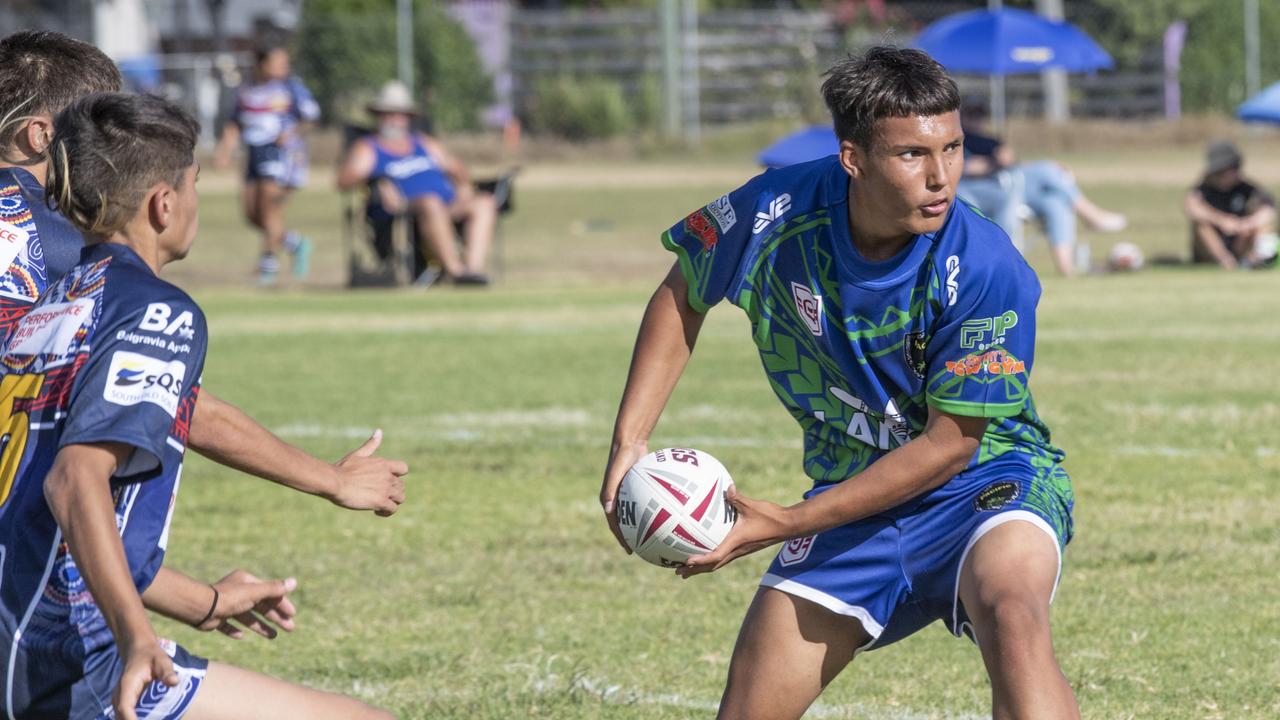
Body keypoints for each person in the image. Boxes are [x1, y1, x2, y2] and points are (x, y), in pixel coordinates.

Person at [599, 47, 1078, 719]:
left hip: (988, 484)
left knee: (1012, 613)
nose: (941, 176)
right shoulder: (774, 210)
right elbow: (685, 289)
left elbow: (951, 446)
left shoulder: (985, 265)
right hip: (854, 497)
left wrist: (787, 522)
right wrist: (629, 441)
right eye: (911, 154)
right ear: (853, 158)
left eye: (953, 147)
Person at [0, 92, 394, 720]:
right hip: (71, 663)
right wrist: (136, 640)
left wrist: (204, 602)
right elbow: (75, 483)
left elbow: (56, 532)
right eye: (195, 186)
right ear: (164, 203)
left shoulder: (49, 310)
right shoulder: (156, 312)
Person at [0, 30, 408, 516]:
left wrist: (203, 598)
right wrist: (331, 480)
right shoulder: (40, 231)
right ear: (42, 135)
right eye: (91, 125)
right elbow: (160, 392)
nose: (108, 141)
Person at [337, 81, 495, 286]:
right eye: (389, 113)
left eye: (400, 114)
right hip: (404, 207)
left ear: (408, 117)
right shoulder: (368, 147)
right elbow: (344, 181)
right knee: (431, 203)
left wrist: (464, 186)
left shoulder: (423, 142)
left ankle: (473, 271)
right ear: (379, 116)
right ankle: (455, 271)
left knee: (484, 202)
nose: (395, 119)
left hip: (447, 204)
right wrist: (375, 181)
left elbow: (456, 168)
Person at [958, 98, 1126, 276]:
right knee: (1047, 170)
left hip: (1014, 187)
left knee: (1055, 202)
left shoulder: (989, 141)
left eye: (980, 116)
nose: (976, 121)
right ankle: (1090, 214)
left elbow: (1013, 165)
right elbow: (964, 168)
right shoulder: (958, 141)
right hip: (983, 194)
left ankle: (1068, 271)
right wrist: (993, 164)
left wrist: (1004, 158)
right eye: (972, 116)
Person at [214, 44, 318, 286]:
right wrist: (225, 151)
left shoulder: (291, 88)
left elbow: (311, 118)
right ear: (261, 64)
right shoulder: (247, 90)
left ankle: (267, 268)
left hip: (280, 153)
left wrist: (290, 134)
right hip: (254, 153)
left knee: (270, 209)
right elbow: (235, 124)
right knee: (252, 213)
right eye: (277, 62)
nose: (284, 67)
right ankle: (295, 243)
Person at [1184, 140, 1278, 269]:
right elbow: (1191, 208)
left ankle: (1256, 259)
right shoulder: (1203, 190)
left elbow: (1269, 208)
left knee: (1263, 225)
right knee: (1202, 225)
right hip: (1212, 248)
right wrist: (1222, 221)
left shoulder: (1246, 189)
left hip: (1239, 241)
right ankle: (1226, 262)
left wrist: (1246, 224)